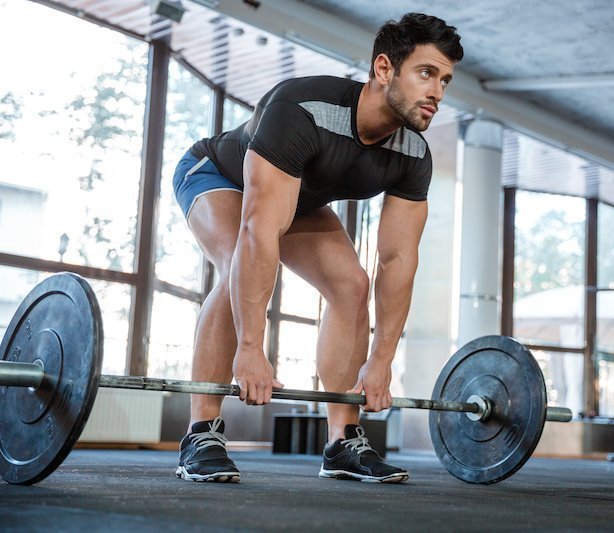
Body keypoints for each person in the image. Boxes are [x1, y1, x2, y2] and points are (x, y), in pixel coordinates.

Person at [171, 13, 463, 484]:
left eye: (445, 80)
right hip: (218, 176)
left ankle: (342, 441)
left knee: (351, 286)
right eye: (426, 73)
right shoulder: (303, 107)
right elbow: (257, 233)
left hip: (296, 196)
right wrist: (250, 348)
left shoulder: (413, 154)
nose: (438, 93)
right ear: (384, 68)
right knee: (234, 268)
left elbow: (398, 260)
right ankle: (201, 431)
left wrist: (382, 360)